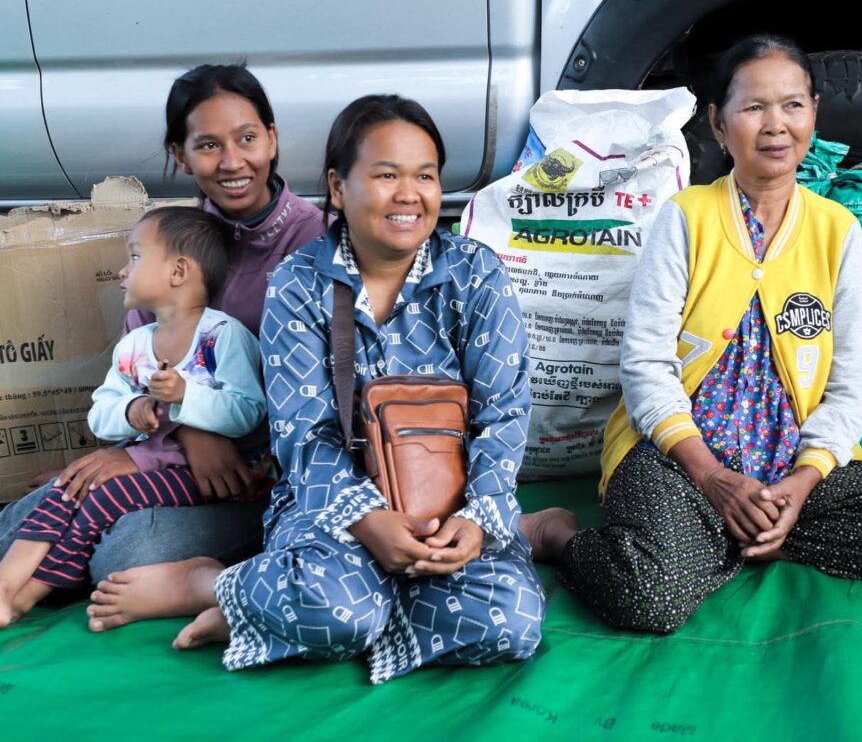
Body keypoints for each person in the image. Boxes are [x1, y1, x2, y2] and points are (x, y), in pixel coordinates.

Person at [522, 35, 862, 633]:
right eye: (754, 107)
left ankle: (753, 537)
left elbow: (854, 383)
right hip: (680, 460)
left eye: (793, 105)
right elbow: (646, 366)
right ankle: (560, 536)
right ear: (719, 124)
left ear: (814, 113)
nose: (776, 125)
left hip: (793, 468)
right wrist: (713, 478)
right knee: (651, 598)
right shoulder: (686, 217)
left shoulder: (837, 231)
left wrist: (802, 482)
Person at [80, 94, 545, 683]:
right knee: (340, 609)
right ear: (338, 187)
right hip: (331, 505)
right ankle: (213, 583)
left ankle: (275, 608)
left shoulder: (477, 273)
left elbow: (503, 415)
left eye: (425, 176)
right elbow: (303, 435)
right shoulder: (299, 283)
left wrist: (476, 519)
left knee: (510, 622)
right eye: (386, 175)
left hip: (450, 507)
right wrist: (368, 521)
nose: (410, 194)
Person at [0, 64, 324, 591]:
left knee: (126, 553)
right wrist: (178, 437)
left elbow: (313, 390)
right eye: (208, 145)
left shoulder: (315, 244)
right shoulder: (166, 241)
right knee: (26, 520)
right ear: (180, 155)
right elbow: (137, 367)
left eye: (246, 138)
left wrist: (185, 440)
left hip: (262, 477)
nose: (232, 162)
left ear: (272, 138)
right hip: (167, 456)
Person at [0, 208, 266, 626]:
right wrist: (132, 408)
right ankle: (6, 584)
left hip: (206, 477)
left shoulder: (222, 336)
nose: (123, 270)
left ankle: (29, 593)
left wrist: (186, 396)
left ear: (179, 271)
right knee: (71, 486)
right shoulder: (135, 345)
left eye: (136, 256)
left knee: (107, 496)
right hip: (150, 462)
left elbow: (248, 411)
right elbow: (101, 413)